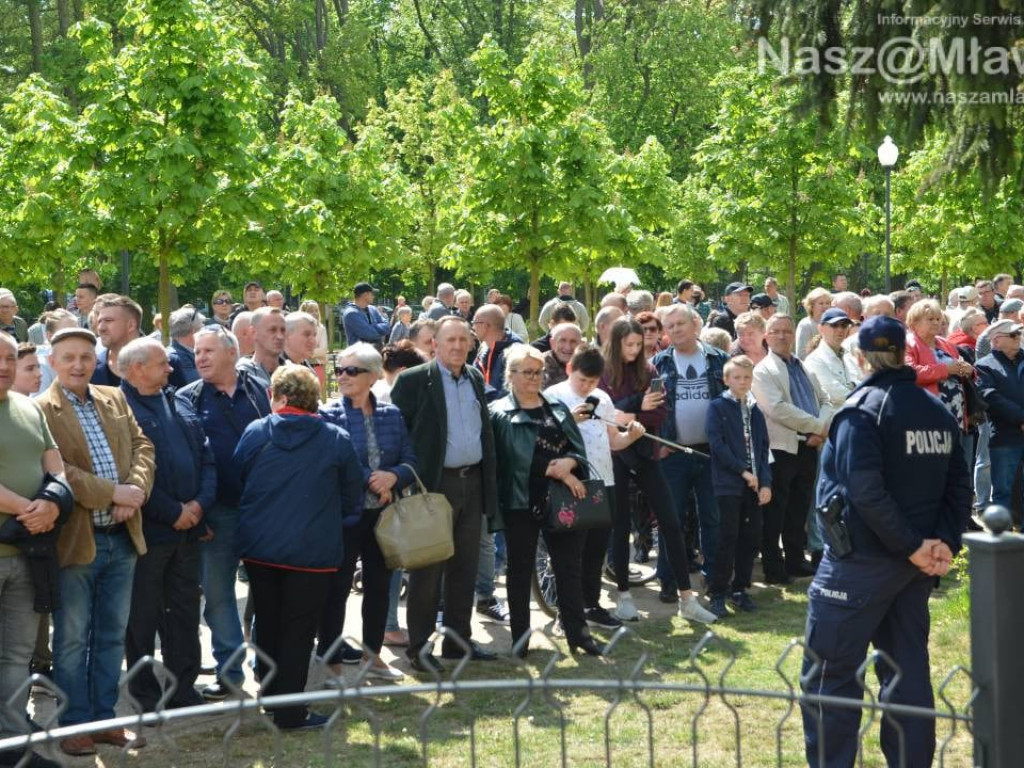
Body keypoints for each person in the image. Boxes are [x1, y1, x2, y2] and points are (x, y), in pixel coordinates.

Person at [802, 315, 970, 768]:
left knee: (829, 677)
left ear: (859, 357)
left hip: (862, 563)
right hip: (911, 567)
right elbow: (960, 488)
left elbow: (864, 491)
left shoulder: (863, 410)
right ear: (901, 353)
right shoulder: (934, 409)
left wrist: (918, 546)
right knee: (905, 674)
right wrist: (941, 545)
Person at [36, 327, 155, 756]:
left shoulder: (114, 397)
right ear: (53, 361)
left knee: (110, 635)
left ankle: (104, 719)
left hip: (122, 536)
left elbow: (144, 447)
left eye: (86, 356)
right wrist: (112, 493)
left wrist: (134, 491)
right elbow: (58, 471)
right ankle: (73, 724)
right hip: (76, 542)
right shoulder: (40, 410)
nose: (79, 365)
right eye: (68, 357)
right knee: (71, 638)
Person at [234, 364, 364, 730]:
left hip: (262, 548)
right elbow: (353, 494)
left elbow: (238, 475)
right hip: (312, 550)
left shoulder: (257, 432)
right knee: (298, 628)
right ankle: (289, 709)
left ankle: (273, 695)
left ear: (281, 397)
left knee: (269, 621)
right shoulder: (335, 438)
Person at [391, 316, 500, 673]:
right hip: (433, 487)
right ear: (434, 344)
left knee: (465, 568)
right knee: (427, 571)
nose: (456, 346)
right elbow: (397, 433)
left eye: (462, 340)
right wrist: (404, 480)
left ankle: (457, 641)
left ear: (470, 343)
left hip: (473, 483)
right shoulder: (413, 381)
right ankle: (420, 648)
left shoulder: (473, 378)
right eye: (449, 340)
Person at [176, 326, 271, 700]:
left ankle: (267, 665)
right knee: (217, 596)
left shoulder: (259, 391)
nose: (199, 358)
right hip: (216, 515)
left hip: (263, 511)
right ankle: (229, 671)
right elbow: (187, 463)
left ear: (232, 353)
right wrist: (198, 515)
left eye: (208, 351)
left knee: (268, 591)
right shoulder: (186, 398)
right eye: (197, 352)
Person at [119, 338, 215, 712]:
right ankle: (145, 695)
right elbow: (131, 472)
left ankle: (183, 690)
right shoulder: (118, 407)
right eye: (162, 363)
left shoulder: (179, 399)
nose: (171, 368)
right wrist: (171, 511)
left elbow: (206, 455)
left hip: (189, 529)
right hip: (149, 533)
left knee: (185, 611)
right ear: (137, 368)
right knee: (142, 617)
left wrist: (198, 506)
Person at [490, 344, 602, 656]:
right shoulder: (499, 412)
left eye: (538, 372)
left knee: (569, 568)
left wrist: (570, 464)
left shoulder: (555, 405)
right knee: (519, 569)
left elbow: (577, 447)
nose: (535, 378)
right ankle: (521, 639)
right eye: (527, 372)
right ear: (510, 375)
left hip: (563, 501)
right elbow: (508, 459)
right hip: (521, 500)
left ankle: (579, 635)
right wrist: (558, 470)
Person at [605, 315, 718, 624]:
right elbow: (607, 414)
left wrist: (631, 410)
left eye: (639, 344)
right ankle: (624, 596)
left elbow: (659, 415)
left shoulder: (650, 369)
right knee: (620, 524)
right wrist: (637, 405)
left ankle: (686, 598)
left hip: (645, 454)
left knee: (670, 521)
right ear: (616, 344)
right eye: (629, 344)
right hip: (615, 455)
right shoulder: (605, 372)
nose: (634, 350)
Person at [318, 344, 416, 681]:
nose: (342, 376)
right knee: (337, 588)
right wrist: (373, 481)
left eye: (351, 370)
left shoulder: (392, 414)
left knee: (379, 586)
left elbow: (410, 458)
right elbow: (333, 462)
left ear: (373, 376)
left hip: (385, 516)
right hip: (346, 516)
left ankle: (372, 657)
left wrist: (394, 476)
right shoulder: (328, 413)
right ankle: (331, 661)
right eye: (339, 370)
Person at [0, 332, 66, 768]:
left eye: (10, 357)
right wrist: (32, 510)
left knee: (17, 656)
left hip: (27, 556)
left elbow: (55, 464)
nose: (4, 365)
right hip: (20, 537)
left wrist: (54, 501)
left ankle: (12, 745)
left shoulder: (28, 406)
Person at [545, 344, 645, 625]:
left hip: (604, 480)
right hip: (571, 482)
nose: (587, 387)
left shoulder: (601, 397)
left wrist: (632, 437)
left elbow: (614, 440)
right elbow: (548, 440)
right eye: (582, 380)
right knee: (570, 552)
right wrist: (570, 421)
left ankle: (591, 605)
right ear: (569, 370)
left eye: (592, 381)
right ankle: (567, 612)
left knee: (596, 548)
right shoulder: (554, 396)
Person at [751, 314, 835, 583]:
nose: (782, 336)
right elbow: (776, 409)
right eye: (776, 331)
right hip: (783, 447)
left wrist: (819, 428)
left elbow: (826, 400)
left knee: (800, 507)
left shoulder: (804, 366)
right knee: (777, 509)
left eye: (787, 331)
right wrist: (816, 426)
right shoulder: (763, 370)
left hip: (810, 445)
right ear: (766, 335)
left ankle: (796, 561)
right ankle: (774, 568)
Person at [652, 304, 726, 595]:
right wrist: (659, 444)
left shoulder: (719, 359)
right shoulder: (658, 363)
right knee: (672, 518)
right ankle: (669, 581)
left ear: (696, 324)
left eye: (680, 323)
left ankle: (715, 578)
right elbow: (652, 408)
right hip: (673, 453)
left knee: (713, 517)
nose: (675, 330)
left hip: (711, 453)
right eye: (669, 326)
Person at [704, 355, 771, 617]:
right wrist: (743, 472)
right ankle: (718, 591)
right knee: (727, 536)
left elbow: (763, 447)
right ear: (726, 379)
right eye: (737, 377)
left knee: (751, 536)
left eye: (746, 377)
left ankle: (740, 588)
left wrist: (765, 481)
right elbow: (717, 446)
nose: (743, 382)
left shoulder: (755, 408)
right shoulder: (718, 407)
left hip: (754, 485)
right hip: (729, 484)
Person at [974, 319, 1024, 513]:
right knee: (1003, 490)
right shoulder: (984, 366)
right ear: (996, 341)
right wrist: (1021, 419)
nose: (1018, 338)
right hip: (1005, 437)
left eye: (1018, 334)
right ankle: (1002, 537)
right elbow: (990, 397)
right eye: (1012, 335)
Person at [803, 307, 856, 406]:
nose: (840, 329)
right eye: (834, 325)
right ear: (820, 328)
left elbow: (862, 380)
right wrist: (863, 396)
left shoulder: (849, 356)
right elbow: (836, 394)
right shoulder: (815, 360)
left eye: (844, 325)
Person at [472, 303, 523, 401]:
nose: (473, 327)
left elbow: (511, 395)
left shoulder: (516, 353)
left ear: (485, 326)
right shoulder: (484, 349)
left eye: (474, 322)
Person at [92, 294, 143, 386]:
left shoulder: (160, 365)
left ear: (131, 325)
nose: (101, 328)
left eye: (108, 320)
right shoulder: (91, 369)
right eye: (99, 321)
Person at [236, 306, 286, 388]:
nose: (280, 336)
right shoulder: (241, 377)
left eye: (283, 330)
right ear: (253, 332)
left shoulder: (296, 376)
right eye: (272, 330)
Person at [342, 282, 390, 349]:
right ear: (365, 294)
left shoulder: (373, 309)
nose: (374, 296)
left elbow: (387, 326)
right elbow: (369, 334)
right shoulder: (351, 313)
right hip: (359, 356)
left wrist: (372, 326)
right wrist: (380, 330)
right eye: (372, 294)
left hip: (376, 353)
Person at [167, 306, 205, 389]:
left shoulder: (179, 353)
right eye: (202, 328)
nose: (205, 332)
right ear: (193, 331)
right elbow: (197, 386)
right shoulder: (176, 358)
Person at [541, 323, 583, 389]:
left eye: (573, 341)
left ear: (581, 344)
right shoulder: (539, 365)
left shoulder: (587, 364)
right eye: (562, 340)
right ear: (552, 343)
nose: (568, 347)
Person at [796, 288, 832, 359]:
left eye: (827, 303)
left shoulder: (833, 324)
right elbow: (801, 354)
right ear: (811, 306)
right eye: (821, 303)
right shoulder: (805, 325)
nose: (825, 306)